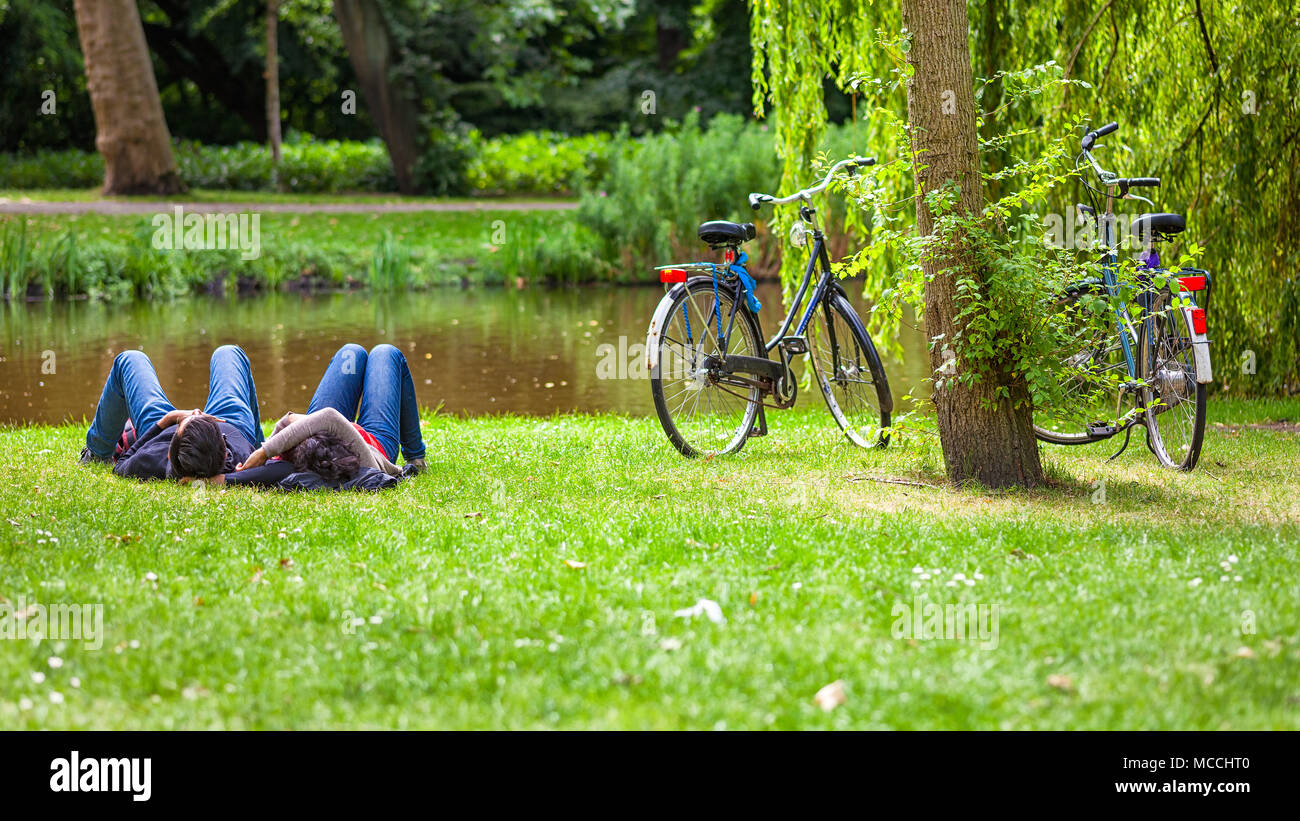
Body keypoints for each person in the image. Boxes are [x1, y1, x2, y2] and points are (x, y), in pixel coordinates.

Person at [234, 343, 426, 483]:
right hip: (374, 442)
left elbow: (294, 422)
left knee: (351, 352)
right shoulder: (369, 465)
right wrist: (264, 451)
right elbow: (326, 418)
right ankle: (416, 456)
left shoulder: (284, 457)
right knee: (386, 353)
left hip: (321, 432)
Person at [80, 345, 264, 480]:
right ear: (225, 452)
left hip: (161, 426)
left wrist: (170, 419)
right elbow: (277, 468)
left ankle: (97, 452)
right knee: (228, 353)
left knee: (129, 359)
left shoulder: (152, 458)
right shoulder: (244, 461)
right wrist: (260, 453)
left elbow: (120, 465)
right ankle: (258, 443)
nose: (196, 415)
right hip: (234, 423)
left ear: (168, 453)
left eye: (190, 419)